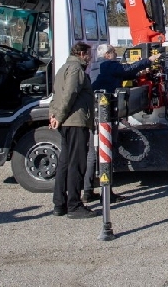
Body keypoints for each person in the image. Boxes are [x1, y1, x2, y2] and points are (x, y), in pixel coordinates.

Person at [82, 44, 156, 203]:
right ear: (107, 54)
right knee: (107, 151)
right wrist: (148, 60)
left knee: (92, 154)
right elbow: (127, 70)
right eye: (114, 52)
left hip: (93, 113)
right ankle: (107, 193)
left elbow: (123, 75)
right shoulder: (109, 65)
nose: (116, 54)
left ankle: (87, 191)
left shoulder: (95, 66)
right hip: (106, 114)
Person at [49, 42, 96, 219]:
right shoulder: (76, 70)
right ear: (82, 54)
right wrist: (59, 116)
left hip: (65, 121)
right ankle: (74, 205)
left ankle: (59, 203)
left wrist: (53, 115)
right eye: (89, 55)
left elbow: (56, 94)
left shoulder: (62, 68)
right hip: (75, 121)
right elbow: (69, 94)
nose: (90, 58)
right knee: (77, 163)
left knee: (65, 163)